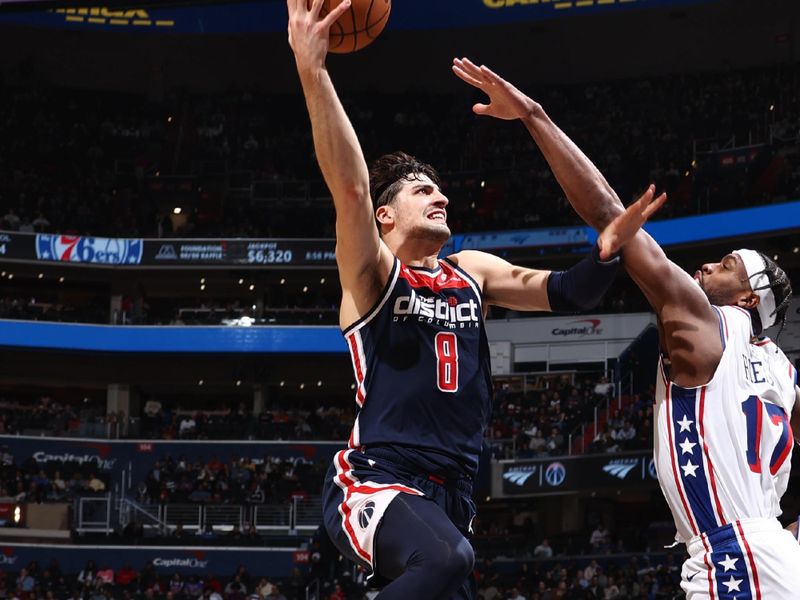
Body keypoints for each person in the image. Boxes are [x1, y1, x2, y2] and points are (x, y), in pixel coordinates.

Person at [286, 3, 661, 599]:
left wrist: (608, 251)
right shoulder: (372, 275)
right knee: (444, 560)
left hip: (452, 494)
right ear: (385, 216)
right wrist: (315, 71)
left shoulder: (472, 273)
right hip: (380, 480)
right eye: (421, 189)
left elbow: (569, 293)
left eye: (439, 187)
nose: (440, 196)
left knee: (447, 562)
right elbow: (352, 187)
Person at [592, 171, 800, 596]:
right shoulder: (784, 371)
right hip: (761, 550)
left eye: (726, 266)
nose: (706, 265)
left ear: (748, 300)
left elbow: (615, 220)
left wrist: (532, 115)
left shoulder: (714, 327)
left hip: (738, 555)